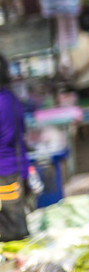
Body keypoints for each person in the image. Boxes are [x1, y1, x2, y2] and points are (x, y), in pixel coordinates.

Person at [0, 53, 31, 241]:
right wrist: (25, 172)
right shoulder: (12, 99)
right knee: (17, 227)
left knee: (10, 233)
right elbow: (21, 137)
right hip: (14, 171)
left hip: (3, 174)